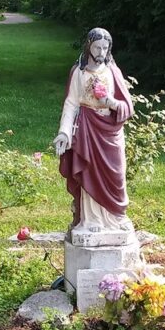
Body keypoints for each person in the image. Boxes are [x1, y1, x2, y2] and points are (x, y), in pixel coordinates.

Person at [53, 28, 135, 235]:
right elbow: (71, 103)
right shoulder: (78, 72)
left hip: (111, 131)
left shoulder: (112, 71)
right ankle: (91, 220)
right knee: (89, 172)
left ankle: (117, 215)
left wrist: (111, 102)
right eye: (97, 47)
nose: (101, 51)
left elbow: (127, 107)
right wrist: (64, 132)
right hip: (87, 129)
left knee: (116, 173)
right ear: (89, 46)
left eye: (105, 48)